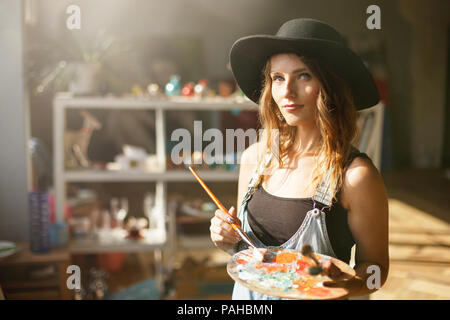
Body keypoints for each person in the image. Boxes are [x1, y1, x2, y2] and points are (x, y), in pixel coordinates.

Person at [209, 18, 389, 299]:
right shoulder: (254, 159)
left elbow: (376, 271)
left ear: (332, 85)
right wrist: (226, 238)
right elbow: (245, 252)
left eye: (303, 75)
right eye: (278, 78)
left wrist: (337, 284)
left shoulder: (356, 176)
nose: (287, 91)